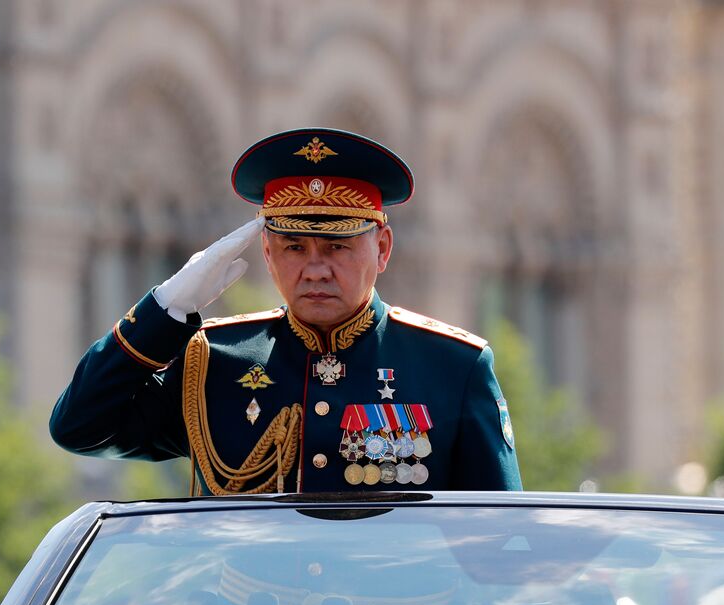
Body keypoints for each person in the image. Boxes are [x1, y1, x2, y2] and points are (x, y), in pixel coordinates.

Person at [51, 127, 522, 494]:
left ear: (382, 248)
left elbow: (496, 542)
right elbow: (80, 427)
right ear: (269, 254)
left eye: (336, 247)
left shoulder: (451, 365)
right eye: (294, 247)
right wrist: (165, 309)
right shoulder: (213, 361)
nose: (315, 270)